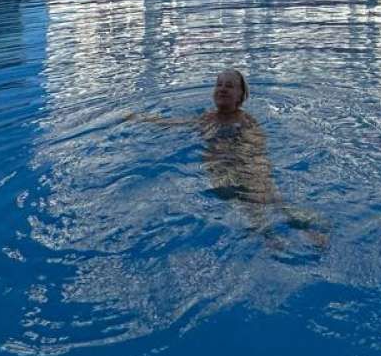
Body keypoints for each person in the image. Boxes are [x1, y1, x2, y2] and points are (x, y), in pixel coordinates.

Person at [127, 69, 323, 244]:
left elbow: (256, 147)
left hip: (244, 165)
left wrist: (245, 163)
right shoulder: (206, 118)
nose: (222, 89)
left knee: (270, 198)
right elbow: (174, 123)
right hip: (221, 169)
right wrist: (142, 118)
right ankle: (271, 237)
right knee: (246, 205)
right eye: (219, 84)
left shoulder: (246, 121)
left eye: (229, 86)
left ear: (241, 96)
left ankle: (307, 230)